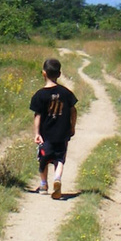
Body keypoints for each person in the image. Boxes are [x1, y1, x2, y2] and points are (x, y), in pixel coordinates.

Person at [29, 57, 77, 199]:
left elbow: (37, 115)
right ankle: (57, 178)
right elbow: (73, 110)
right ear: (59, 74)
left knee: (43, 159)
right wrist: (72, 126)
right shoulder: (66, 93)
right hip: (62, 133)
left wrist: (37, 133)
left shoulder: (39, 95)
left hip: (46, 134)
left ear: (44, 73)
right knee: (60, 159)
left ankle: (43, 184)